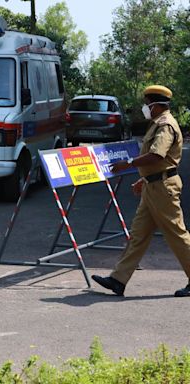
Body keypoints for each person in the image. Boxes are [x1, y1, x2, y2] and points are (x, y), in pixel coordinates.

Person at [92, 85, 190, 297]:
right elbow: (155, 164)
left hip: (163, 189)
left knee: (177, 234)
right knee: (138, 235)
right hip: (153, 186)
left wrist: (127, 163)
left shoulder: (165, 126)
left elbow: (157, 156)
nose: (145, 108)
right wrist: (143, 180)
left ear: (155, 105)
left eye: (147, 104)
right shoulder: (157, 124)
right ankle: (118, 279)